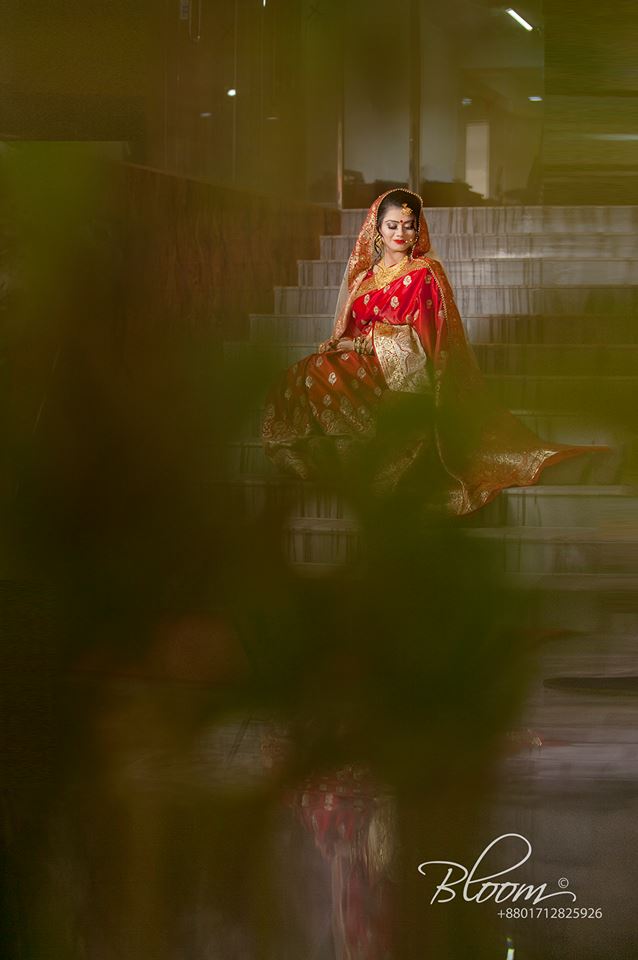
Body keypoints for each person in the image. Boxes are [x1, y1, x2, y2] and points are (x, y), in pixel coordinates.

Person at [262, 188, 603, 516]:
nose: (400, 233)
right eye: (392, 225)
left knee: (322, 373)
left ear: (418, 229)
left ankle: (367, 461)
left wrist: (363, 345)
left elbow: (426, 339)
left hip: (398, 372)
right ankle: (337, 460)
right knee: (300, 374)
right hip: (360, 360)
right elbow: (350, 328)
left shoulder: (425, 272)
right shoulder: (365, 277)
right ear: (376, 229)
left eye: (408, 225)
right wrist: (340, 342)